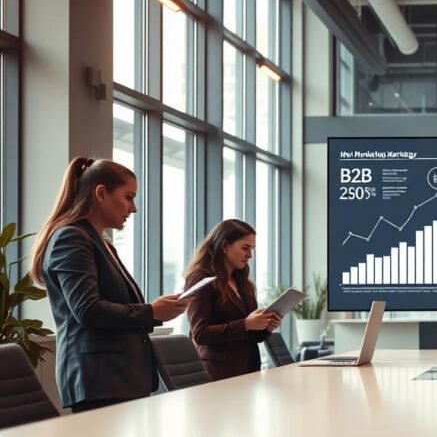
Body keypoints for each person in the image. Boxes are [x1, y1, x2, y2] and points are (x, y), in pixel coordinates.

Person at [31, 157, 190, 413]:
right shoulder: (71, 237)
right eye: (128, 197)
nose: (133, 208)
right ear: (101, 193)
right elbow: (87, 310)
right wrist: (152, 311)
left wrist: (156, 310)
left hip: (117, 379)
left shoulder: (100, 242)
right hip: (100, 381)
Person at [184, 219, 281, 380]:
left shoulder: (243, 282)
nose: (250, 255)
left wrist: (267, 326)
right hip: (219, 373)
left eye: (252, 249)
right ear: (225, 246)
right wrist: (246, 324)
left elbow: (252, 336)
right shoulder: (200, 279)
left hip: (249, 369)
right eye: (245, 248)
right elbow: (200, 333)